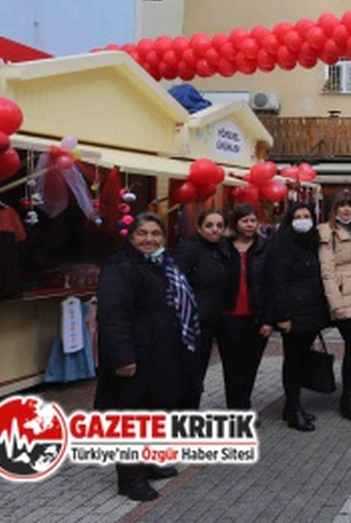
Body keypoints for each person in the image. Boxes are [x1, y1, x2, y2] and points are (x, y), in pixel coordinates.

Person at [95, 213, 200, 501]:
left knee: (156, 411)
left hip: (162, 355)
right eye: (142, 233)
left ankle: (149, 463)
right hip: (134, 356)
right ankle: (130, 478)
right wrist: (122, 358)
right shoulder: (120, 267)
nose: (149, 239)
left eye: (155, 234)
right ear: (131, 237)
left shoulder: (164, 264)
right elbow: (113, 316)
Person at [265, 203, 329, 432]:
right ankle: (293, 409)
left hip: (310, 312)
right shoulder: (281, 245)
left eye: (307, 216)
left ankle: (292, 406)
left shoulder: (311, 242)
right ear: (289, 220)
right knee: (292, 362)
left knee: (301, 360)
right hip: (292, 315)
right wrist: (282, 316)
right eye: (298, 216)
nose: (303, 220)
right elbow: (277, 283)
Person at [317, 190, 351, 422]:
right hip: (341, 292)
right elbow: (327, 271)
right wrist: (335, 303)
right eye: (342, 205)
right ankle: (348, 398)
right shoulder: (326, 232)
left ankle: (349, 394)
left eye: (350, 205)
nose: (347, 209)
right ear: (335, 208)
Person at [171, 209, 231, 408]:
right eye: (209, 225)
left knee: (199, 373)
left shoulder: (224, 248)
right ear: (199, 227)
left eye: (219, 226)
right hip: (193, 323)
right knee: (190, 374)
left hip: (217, 320)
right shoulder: (188, 249)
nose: (214, 230)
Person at [218, 204, 272, 411]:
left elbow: (271, 285)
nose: (249, 225)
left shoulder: (265, 247)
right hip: (228, 316)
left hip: (255, 317)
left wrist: (269, 319)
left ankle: (244, 405)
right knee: (231, 367)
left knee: (250, 366)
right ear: (236, 223)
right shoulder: (224, 247)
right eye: (245, 221)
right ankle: (234, 409)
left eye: (252, 221)